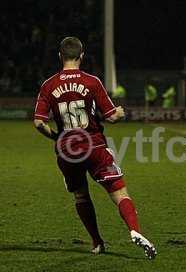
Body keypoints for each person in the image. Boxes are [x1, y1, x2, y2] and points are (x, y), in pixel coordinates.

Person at [33, 37, 156, 259]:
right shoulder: (92, 82)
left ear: (60, 56)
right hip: (94, 146)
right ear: (82, 56)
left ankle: (97, 242)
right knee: (119, 191)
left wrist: (56, 137)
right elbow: (111, 117)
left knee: (81, 195)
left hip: (67, 151)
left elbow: (39, 122)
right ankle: (135, 230)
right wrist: (119, 113)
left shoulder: (48, 85)